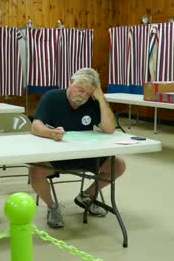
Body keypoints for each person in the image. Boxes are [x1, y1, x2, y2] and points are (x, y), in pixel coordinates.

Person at [29, 67, 126, 228]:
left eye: (88, 93)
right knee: (35, 171)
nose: (83, 96)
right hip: (57, 156)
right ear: (70, 82)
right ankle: (53, 207)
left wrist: (101, 98)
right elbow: (35, 125)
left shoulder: (93, 103)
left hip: (86, 156)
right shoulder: (52, 97)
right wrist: (51, 133)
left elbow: (109, 129)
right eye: (80, 90)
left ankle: (86, 196)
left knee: (119, 166)